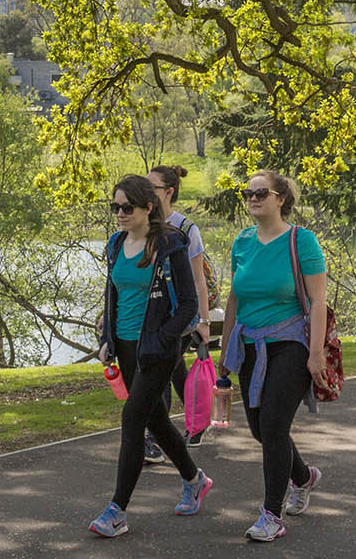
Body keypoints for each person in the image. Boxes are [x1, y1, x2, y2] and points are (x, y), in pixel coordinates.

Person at [88, 175, 212, 538]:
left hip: (157, 350)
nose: (120, 214)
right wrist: (107, 336)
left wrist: (163, 338)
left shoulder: (170, 244)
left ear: (147, 207)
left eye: (127, 207)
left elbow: (188, 303)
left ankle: (117, 512)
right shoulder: (115, 244)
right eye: (115, 207)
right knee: (155, 420)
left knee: (132, 420)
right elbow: (113, 293)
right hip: (125, 347)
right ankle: (194, 479)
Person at [219, 170, 327, 542]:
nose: (252, 198)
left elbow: (317, 303)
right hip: (249, 344)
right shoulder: (243, 242)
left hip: (291, 344)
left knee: (275, 424)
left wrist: (314, 354)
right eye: (247, 193)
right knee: (259, 428)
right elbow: (234, 298)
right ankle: (303, 476)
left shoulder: (302, 241)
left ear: (281, 198)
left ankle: (271, 515)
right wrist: (225, 351)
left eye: (261, 192)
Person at [148, 165, 217, 448]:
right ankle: (197, 421)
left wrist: (203, 321)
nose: (145, 193)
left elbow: (199, 280)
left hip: (182, 315)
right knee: (174, 371)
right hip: (152, 315)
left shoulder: (187, 229)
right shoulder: (143, 224)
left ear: (168, 192)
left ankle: (154, 440)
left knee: (159, 374)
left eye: (151, 188)